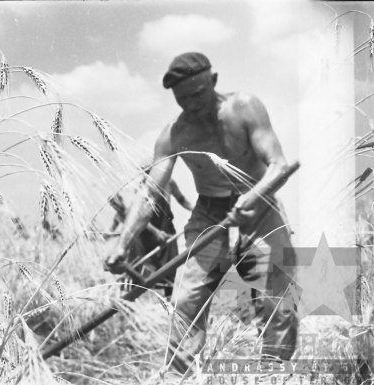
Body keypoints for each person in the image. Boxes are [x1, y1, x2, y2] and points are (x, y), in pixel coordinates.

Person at [105, 52, 298, 372]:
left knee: (276, 298)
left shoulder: (245, 107)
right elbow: (150, 191)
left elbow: (279, 166)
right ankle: (176, 377)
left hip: (260, 204)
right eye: (182, 99)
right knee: (186, 302)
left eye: (198, 94)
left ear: (214, 81)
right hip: (209, 213)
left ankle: (273, 373)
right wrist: (122, 243)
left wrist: (250, 197)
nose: (192, 104)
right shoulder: (174, 134)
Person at [108, 177, 194, 296]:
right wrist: (155, 232)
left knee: (170, 272)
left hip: (165, 231)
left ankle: (171, 306)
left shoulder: (169, 182)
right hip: (145, 235)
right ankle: (127, 304)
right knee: (136, 273)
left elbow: (182, 200)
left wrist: (199, 212)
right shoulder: (139, 185)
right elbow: (139, 215)